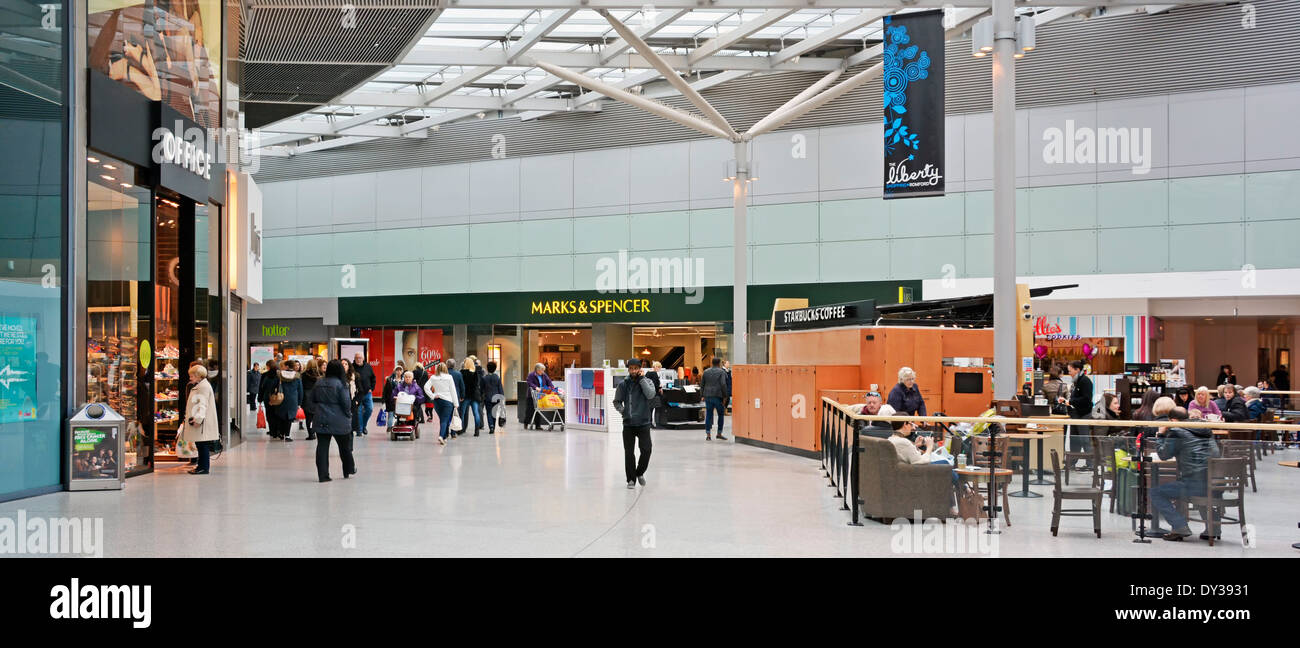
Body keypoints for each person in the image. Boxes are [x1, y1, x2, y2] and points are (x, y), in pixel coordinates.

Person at [1154, 405, 1221, 541]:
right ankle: (1213, 528)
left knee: (1156, 493)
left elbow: (1163, 455)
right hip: (1216, 482)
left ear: (1172, 420)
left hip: (1194, 483)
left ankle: (1179, 527)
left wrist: (1160, 434)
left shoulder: (1177, 432)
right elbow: (1215, 453)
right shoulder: (1205, 430)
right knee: (1192, 489)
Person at [613, 358, 656, 489]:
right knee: (629, 453)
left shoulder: (647, 381)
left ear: (640, 369)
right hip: (629, 424)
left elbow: (650, 395)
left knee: (647, 450)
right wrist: (624, 411)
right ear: (628, 369)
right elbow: (617, 401)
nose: (633, 371)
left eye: (635, 368)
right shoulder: (623, 384)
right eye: (631, 368)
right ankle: (631, 479)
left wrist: (642, 380)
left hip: (643, 422)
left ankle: (639, 472)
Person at [311, 359, 356, 482]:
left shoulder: (318, 382)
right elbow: (346, 403)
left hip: (321, 417)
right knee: (344, 446)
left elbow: (313, 398)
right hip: (339, 419)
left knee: (322, 447)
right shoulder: (342, 384)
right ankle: (348, 469)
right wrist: (348, 415)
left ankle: (323, 475)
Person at [182, 364, 220, 475]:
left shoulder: (202, 387)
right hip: (201, 422)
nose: (190, 378)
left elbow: (202, 404)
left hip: (201, 423)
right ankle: (201, 467)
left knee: (202, 445)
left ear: (198, 376)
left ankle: (203, 468)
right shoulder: (202, 386)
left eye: (192, 375)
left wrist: (197, 419)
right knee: (201, 445)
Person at [1060, 360, 1094, 469]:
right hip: (1075, 414)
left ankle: (1091, 463)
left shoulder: (1085, 381)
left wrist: (1071, 402)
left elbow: (1086, 399)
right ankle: (1072, 462)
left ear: (1077, 369)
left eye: (1070, 371)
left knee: (1084, 439)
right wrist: (1068, 401)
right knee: (1074, 439)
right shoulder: (1077, 381)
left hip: (1083, 414)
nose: (1069, 373)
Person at [423, 362, 459, 445]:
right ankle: (441, 436)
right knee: (445, 419)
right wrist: (456, 403)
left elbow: (426, 387)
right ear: (445, 368)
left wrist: (432, 395)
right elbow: (453, 390)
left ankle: (445, 436)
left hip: (437, 401)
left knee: (443, 419)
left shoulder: (433, 377)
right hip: (448, 401)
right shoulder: (449, 377)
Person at [269, 360, 303, 442]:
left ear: (287, 366)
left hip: (281, 398)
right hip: (293, 399)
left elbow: (273, 386)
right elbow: (300, 390)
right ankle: (287, 435)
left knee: (281, 416)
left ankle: (281, 433)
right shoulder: (297, 376)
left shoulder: (279, 375)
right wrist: (299, 402)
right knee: (289, 418)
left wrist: (271, 395)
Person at [700, 357, 730, 441]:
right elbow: (723, 384)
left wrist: (702, 395)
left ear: (712, 363)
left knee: (709, 414)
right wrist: (725, 396)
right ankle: (719, 433)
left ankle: (708, 434)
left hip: (708, 396)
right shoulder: (721, 372)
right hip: (718, 396)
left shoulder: (706, 372)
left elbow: (702, 385)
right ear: (719, 363)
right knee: (720, 414)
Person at [352, 352, 376, 437]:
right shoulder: (352, 367)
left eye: (360, 358)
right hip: (357, 394)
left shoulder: (368, 367)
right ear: (354, 359)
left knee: (369, 409)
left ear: (363, 358)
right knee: (358, 413)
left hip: (367, 393)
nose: (358, 359)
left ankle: (363, 426)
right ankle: (360, 430)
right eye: (357, 358)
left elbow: (373, 378)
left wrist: (371, 388)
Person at [459, 357, 484, 436]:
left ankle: (461, 429)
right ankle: (477, 431)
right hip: (474, 396)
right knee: (476, 413)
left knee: (462, 413)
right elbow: (477, 385)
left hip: (466, 396)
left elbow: (462, 385)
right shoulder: (475, 373)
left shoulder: (462, 372)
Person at [257, 358, 282, 438]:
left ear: (268, 366)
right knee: (277, 414)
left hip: (267, 397)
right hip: (277, 398)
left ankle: (272, 431)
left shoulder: (265, 375)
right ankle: (278, 430)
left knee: (270, 415)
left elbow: (261, 388)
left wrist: (259, 399)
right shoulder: (279, 375)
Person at [481, 361, 506, 434]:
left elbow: (482, 388)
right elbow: (500, 388)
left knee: (489, 412)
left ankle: (491, 426)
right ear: (495, 369)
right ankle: (494, 427)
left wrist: (482, 396)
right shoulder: (497, 377)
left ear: (487, 368)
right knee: (494, 412)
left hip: (487, 397)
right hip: (496, 397)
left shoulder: (484, 378)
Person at [301, 359, 323, 440]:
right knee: (317, 417)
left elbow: (302, 387)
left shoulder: (303, 375)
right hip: (317, 397)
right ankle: (317, 432)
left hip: (307, 397)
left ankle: (311, 434)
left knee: (309, 417)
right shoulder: (320, 374)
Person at [382, 365, 403, 434]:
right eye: (397, 370)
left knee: (400, 414)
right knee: (391, 414)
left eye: (400, 370)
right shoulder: (390, 380)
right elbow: (385, 391)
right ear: (395, 371)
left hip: (401, 400)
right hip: (390, 400)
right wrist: (383, 401)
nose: (399, 372)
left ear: (402, 371)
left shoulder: (404, 381)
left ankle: (399, 427)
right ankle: (389, 427)